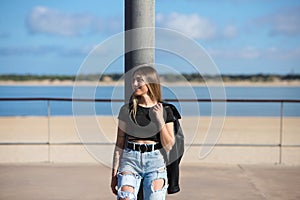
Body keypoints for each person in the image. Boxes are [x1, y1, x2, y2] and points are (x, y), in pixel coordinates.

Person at [110, 65, 178, 200]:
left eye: (139, 80)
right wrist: (114, 174)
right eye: (133, 80)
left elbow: (169, 145)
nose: (135, 84)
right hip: (130, 160)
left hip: (155, 162)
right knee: (125, 197)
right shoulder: (126, 110)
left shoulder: (166, 110)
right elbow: (119, 145)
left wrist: (159, 120)